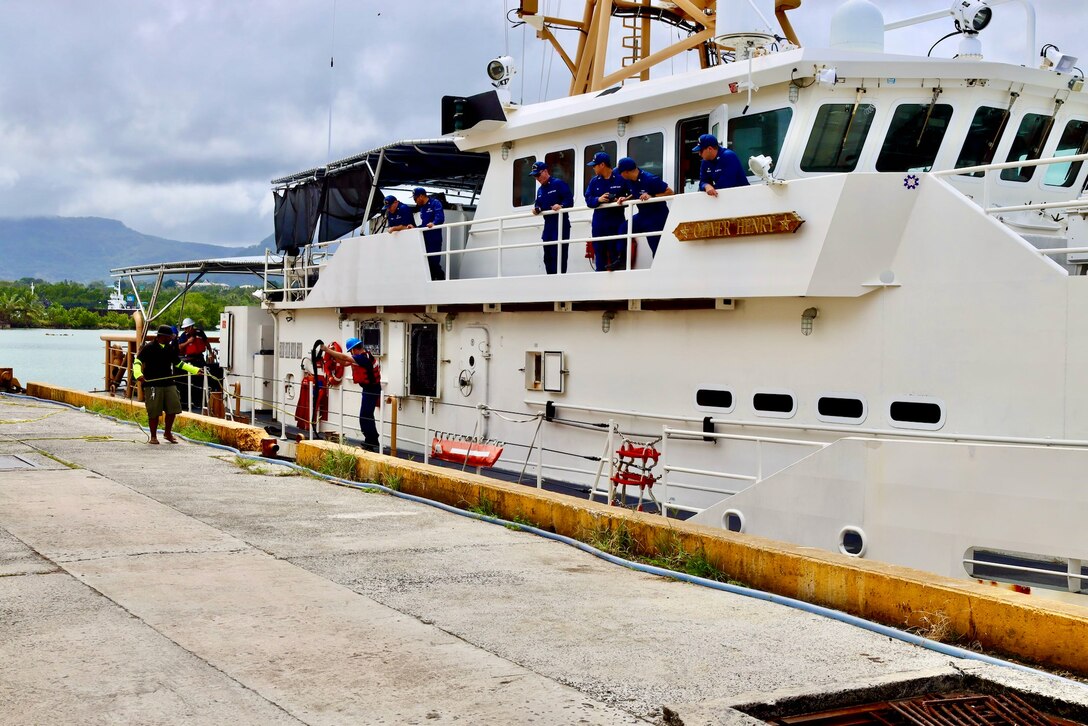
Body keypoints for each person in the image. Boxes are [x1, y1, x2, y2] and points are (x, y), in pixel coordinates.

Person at [133, 324, 201, 444]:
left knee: (173, 408)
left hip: (168, 382)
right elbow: (138, 361)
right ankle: (153, 436)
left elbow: (178, 363)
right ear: (163, 336)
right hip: (152, 383)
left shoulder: (170, 348)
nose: (173, 338)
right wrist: (138, 374)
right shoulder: (148, 347)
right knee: (154, 411)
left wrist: (195, 370)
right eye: (171, 336)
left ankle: (167, 433)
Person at [322, 337, 382, 452]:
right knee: (367, 415)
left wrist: (327, 350)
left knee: (365, 416)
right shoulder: (363, 357)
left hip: (371, 389)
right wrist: (333, 355)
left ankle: (371, 441)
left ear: (354, 350)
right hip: (369, 389)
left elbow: (344, 358)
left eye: (351, 351)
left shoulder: (363, 358)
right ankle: (372, 440)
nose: (351, 353)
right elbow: (343, 362)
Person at [584, 151, 632, 271]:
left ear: (602, 165)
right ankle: (600, 282)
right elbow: (588, 199)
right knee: (599, 254)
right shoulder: (594, 181)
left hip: (615, 222)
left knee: (616, 255)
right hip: (599, 225)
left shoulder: (621, 179)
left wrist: (623, 199)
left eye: (594, 165)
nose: (593, 167)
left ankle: (619, 286)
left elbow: (633, 193)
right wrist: (598, 199)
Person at [616, 157, 673, 257]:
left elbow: (670, 192)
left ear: (626, 172)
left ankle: (660, 268)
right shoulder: (630, 181)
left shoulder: (650, 179)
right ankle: (621, 259)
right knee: (623, 228)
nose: (619, 175)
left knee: (656, 246)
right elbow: (636, 193)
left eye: (620, 172)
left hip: (657, 217)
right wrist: (626, 198)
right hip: (643, 215)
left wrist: (652, 196)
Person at [529, 161, 574, 274]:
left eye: (538, 175)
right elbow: (538, 203)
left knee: (558, 256)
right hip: (548, 228)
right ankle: (550, 282)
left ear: (545, 171)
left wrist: (561, 206)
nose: (537, 178)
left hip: (560, 225)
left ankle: (560, 282)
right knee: (547, 257)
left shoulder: (558, 184)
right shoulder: (540, 190)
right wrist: (536, 209)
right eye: (534, 176)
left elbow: (569, 201)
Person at [413, 187, 446, 280]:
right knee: (426, 262)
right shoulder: (422, 208)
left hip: (434, 238)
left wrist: (434, 223)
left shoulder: (435, 203)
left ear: (421, 196)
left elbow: (440, 218)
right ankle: (432, 280)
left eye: (415, 198)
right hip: (425, 238)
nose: (415, 201)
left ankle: (440, 279)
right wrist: (415, 228)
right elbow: (424, 224)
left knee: (434, 261)